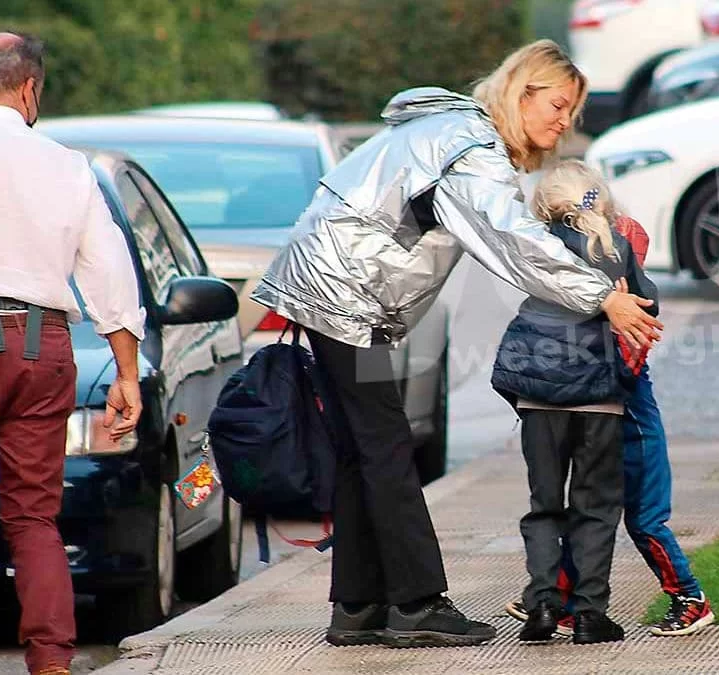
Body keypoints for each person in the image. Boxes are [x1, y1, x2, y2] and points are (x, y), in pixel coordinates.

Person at [251, 40, 663, 649]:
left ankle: (360, 607)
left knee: (365, 449)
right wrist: (602, 295)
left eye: (571, 113)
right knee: (386, 446)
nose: (563, 122)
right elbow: (512, 237)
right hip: (340, 292)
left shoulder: (451, 130)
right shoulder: (471, 146)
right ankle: (415, 606)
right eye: (556, 105)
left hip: (330, 286)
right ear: (520, 93)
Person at [0, 33, 145, 675]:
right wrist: (125, 372)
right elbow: (108, 272)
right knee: (34, 519)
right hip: (41, 351)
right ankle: (52, 663)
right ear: (30, 90)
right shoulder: (67, 166)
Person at [491, 160, 660, 645]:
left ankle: (542, 604)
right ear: (600, 200)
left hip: (539, 398)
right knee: (595, 507)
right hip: (597, 400)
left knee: (544, 505)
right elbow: (648, 308)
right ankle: (589, 614)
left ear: (543, 208)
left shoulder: (537, 246)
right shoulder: (617, 249)